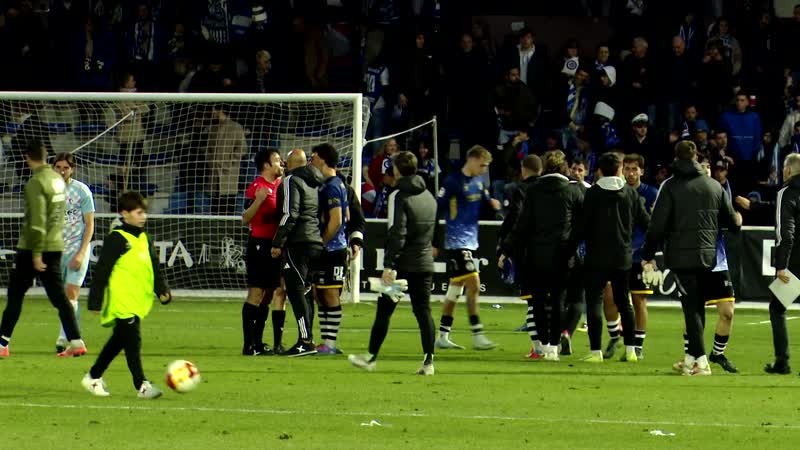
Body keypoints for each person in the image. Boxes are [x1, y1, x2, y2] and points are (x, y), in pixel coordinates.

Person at [641, 141, 739, 376]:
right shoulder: (714, 185)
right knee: (698, 308)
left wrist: (647, 254)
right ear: (695, 156)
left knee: (692, 309)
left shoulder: (671, 186)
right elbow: (731, 222)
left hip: (681, 257)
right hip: (708, 257)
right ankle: (691, 359)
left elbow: (657, 226)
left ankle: (701, 362)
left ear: (676, 157)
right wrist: (737, 221)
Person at [348, 151, 438, 375]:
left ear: (397, 170)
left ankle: (371, 357)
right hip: (424, 262)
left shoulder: (399, 196)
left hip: (403, 265)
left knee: (384, 311)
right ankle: (429, 362)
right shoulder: (429, 196)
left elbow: (398, 232)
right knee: (423, 311)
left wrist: (389, 265)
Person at [0, 141, 86, 358]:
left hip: (33, 248)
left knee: (15, 294)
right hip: (56, 245)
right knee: (60, 298)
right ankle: (76, 341)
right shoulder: (57, 181)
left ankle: (2, 344)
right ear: (46, 158)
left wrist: (36, 254)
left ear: (28, 158)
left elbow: (38, 221)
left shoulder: (36, 182)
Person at [82, 192, 171, 398]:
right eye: (138, 212)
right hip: (122, 299)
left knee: (118, 341)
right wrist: (94, 300)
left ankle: (93, 377)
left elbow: (154, 268)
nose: (143, 216)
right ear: (124, 213)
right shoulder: (117, 238)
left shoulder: (144, 238)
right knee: (133, 341)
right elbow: (102, 270)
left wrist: (162, 290)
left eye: (144, 212)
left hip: (138, 299)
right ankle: (142, 385)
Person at [503, 150, 584, 361]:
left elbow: (522, 225)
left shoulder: (534, 190)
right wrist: (572, 246)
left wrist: (506, 249)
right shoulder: (573, 190)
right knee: (558, 301)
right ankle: (554, 349)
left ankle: (544, 344)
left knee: (538, 302)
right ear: (564, 167)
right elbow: (582, 224)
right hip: (563, 256)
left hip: (536, 255)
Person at [672, 155, 742, 374]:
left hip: (717, 261)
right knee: (693, 312)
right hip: (694, 260)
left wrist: (736, 219)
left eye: (709, 166)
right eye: (703, 167)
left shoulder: (718, 192)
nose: (707, 170)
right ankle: (690, 357)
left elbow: (731, 223)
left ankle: (717, 353)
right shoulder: (690, 194)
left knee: (728, 312)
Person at [581, 152, 649, 363]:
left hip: (596, 258)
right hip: (623, 257)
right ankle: (630, 351)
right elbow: (647, 223)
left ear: (600, 170)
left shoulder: (593, 194)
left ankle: (595, 353)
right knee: (624, 303)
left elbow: (582, 226)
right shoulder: (630, 193)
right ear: (619, 168)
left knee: (594, 303)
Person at [433, 146, 502, 351]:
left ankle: (443, 336)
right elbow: (437, 210)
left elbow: (485, 198)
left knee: (455, 289)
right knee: (474, 283)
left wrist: (493, 204)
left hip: (470, 242)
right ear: (471, 160)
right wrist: (435, 242)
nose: (483, 169)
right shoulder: (453, 182)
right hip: (456, 242)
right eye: (482, 165)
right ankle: (477, 333)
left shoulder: (479, 182)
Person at [603, 153, 658, 360]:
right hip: (616, 253)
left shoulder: (651, 193)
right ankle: (614, 337)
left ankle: (638, 345)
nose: (631, 173)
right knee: (609, 297)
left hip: (640, 256)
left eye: (635, 169)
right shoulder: (616, 191)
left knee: (639, 300)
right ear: (622, 170)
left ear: (642, 171)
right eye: (627, 169)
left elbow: (654, 225)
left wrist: (651, 255)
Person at [271, 149, 324, 357]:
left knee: (294, 290)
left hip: (298, 243)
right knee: (306, 291)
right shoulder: (313, 182)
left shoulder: (291, 180)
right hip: (314, 241)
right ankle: (307, 338)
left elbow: (289, 213)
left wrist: (278, 241)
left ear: (290, 163)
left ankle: (305, 340)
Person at [497, 155, 543, 357]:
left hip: (527, 252)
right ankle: (552, 345)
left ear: (524, 170)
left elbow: (516, 217)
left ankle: (538, 348)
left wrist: (504, 244)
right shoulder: (547, 189)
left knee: (532, 300)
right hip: (550, 250)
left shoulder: (521, 190)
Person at [241, 148, 286, 356]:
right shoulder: (256, 187)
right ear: (266, 165)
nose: (281, 163)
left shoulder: (283, 185)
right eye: (277, 160)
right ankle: (248, 344)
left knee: (270, 294)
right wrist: (259, 200)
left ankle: (258, 342)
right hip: (260, 243)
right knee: (256, 293)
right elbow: (245, 218)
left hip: (277, 245)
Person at [52, 153, 96, 355]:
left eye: (66, 167)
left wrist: (81, 252)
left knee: (72, 293)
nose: (62, 171)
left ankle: (67, 338)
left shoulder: (82, 191)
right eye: (58, 167)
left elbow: (90, 224)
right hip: (55, 250)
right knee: (62, 297)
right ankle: (71, 337)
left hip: (77, 249)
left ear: (72, 169)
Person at [310, 143, 348, 355]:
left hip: (333, 250)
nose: (312, 160)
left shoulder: (333, 186)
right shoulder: (332, 184)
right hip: (331, 248)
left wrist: (322, 243)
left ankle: (331, 344)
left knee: (331, 294)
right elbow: (347, 216)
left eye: (314, 156)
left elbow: (336, 220)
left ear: (323, 159)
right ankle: (326, 342)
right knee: (322, 294)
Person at [765, 153, 800, 375]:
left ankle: (782, 362)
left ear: (787, 170)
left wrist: (781, 265)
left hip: (795, 264)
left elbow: (785, 233)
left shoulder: (786, 193)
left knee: (777, 308)